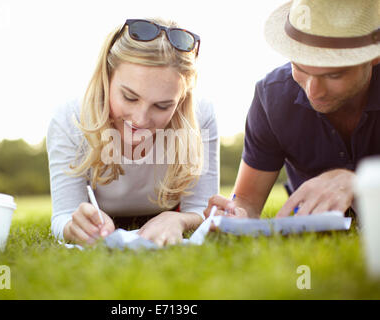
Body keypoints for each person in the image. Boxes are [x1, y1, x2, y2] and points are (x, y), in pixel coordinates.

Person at [46, 18, 218, 247]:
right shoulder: (69, 118)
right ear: (106, 78)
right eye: (129, 97)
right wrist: (73, 226)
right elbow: (64, 214)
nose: (140, 119)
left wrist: (179, 219)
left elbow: (202, 209)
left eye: (162, 106)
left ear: (182, 99)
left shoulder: (201, 114)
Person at [205, 0, 380, 220]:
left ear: (374, 56)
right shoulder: (272, 97)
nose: (313, 92)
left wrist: (359, 182)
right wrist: (235, 214)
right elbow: (247, 201)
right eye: (299, 67)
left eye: (334, 75)